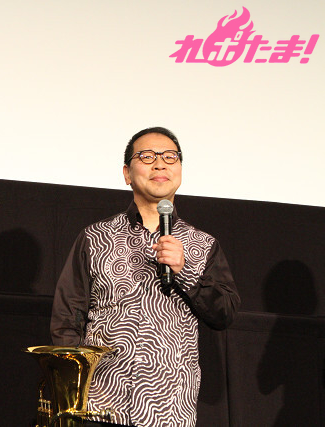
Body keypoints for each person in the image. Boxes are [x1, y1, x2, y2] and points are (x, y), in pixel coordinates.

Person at [50, 127, 240, 427]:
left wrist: (185, 271)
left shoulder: (203, 245)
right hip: (100, 405)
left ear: (180, 170)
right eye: (147, 156)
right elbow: (68, 317)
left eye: (170, 157)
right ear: (127, 173)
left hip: (169, 410)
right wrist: (71, 392)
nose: (160, 164)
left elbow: (224, 313)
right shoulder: (95, 237)